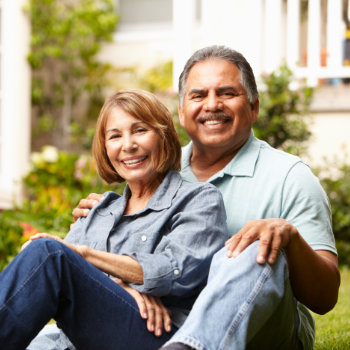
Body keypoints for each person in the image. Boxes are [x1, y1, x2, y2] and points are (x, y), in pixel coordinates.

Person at [74, 46, 340, 350]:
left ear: (254, 107)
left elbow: (325, 298)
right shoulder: (154, 168)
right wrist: (104, 222)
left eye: (227, 93)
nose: (212, 105)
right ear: (182, 111)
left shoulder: (289, 176)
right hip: (161, 323)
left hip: (260, 331)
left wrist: (289, 239)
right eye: (198, 96)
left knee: (252, 243)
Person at [0, 89, 229, 350]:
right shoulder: (100, 210)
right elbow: (53, 280)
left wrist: (85, 255)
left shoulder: (199, 199)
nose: (128, 145)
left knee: (51, 253)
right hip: (82, 339)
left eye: (140, 130)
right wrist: (123, 289)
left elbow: (176, 270)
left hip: (158, 335)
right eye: (115, 136)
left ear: (163, 136)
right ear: (106, 147)